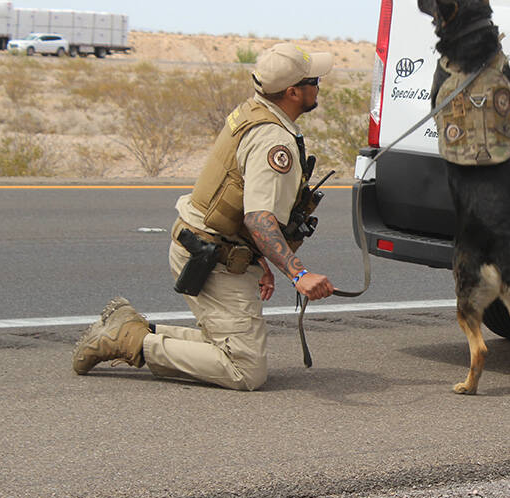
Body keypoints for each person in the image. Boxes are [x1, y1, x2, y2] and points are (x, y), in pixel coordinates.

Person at [71, 42, 337, 390]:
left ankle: (132, 329)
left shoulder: (256, 112)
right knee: (245, 369)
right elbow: (258, 217)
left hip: (208, 243)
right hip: (213, 256)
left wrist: (263, 261)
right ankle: (129, 341)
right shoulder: (275, 141)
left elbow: (239, 201)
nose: (319, 85)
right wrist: (297, 272)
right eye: (313, 80)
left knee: (234, 348)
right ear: (292, 92)